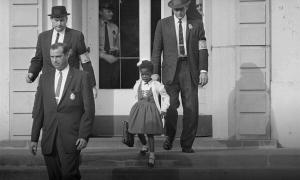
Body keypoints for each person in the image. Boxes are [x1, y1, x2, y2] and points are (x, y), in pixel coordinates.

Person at [30, 43, 95, 180]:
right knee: (54, 176)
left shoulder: (82, 77)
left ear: (67, 54)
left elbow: (89, 110)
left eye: (58, 56)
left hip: (71, 137)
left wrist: (84, 135)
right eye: (52, 57)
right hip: (49, 137)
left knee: (69, 175)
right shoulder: (44, 78)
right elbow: (39, 110)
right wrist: (34, 138)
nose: (55, 60)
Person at [151, 0, 208, 153]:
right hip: (170, 71)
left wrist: (203, 70)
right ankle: (170, 135)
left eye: (181, 9)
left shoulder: (197, 24)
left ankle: (187, 144)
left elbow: (202, 48)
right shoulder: (162, 24)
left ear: (187, 7)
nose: (179, 13)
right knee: (170, 107)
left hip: (190, 69)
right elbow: (156, 50)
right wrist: (155, 72)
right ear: (172, 9)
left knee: (191, 108)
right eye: (176, 10)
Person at [25, 6, 97, 98]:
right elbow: (38, 59)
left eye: (62, 20)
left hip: (70, 84)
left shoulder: (76, 36)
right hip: (48, 84)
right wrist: (32, 73)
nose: (59, 24)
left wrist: (92, 85)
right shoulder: (43, 37)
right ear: (51, 19)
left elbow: (85, 62)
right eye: (56, 20)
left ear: (66, 19)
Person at [128, 61, 170, 168]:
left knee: (150, 133)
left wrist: (164, 109)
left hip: (151, 111)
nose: (144, 76)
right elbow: (134, 97)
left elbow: (166, 96)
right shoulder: (138, 84)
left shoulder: (156, 85)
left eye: (147, 74)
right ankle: (144, 145)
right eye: (142, 74)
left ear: (151, 73)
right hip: (139, 110)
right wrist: (132, 112)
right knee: (138, 130)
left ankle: (152, 154)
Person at [99, 2, 120, 89]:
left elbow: (118, 45)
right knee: (103, 84)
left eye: (112, 11)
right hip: (100, 60)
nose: (111, 13)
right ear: (100, 12)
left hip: (113, 60)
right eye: (108, 11)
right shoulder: (95, 26)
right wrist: (103, 55)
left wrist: (117, 55)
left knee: (114, 84)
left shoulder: (114, 27)